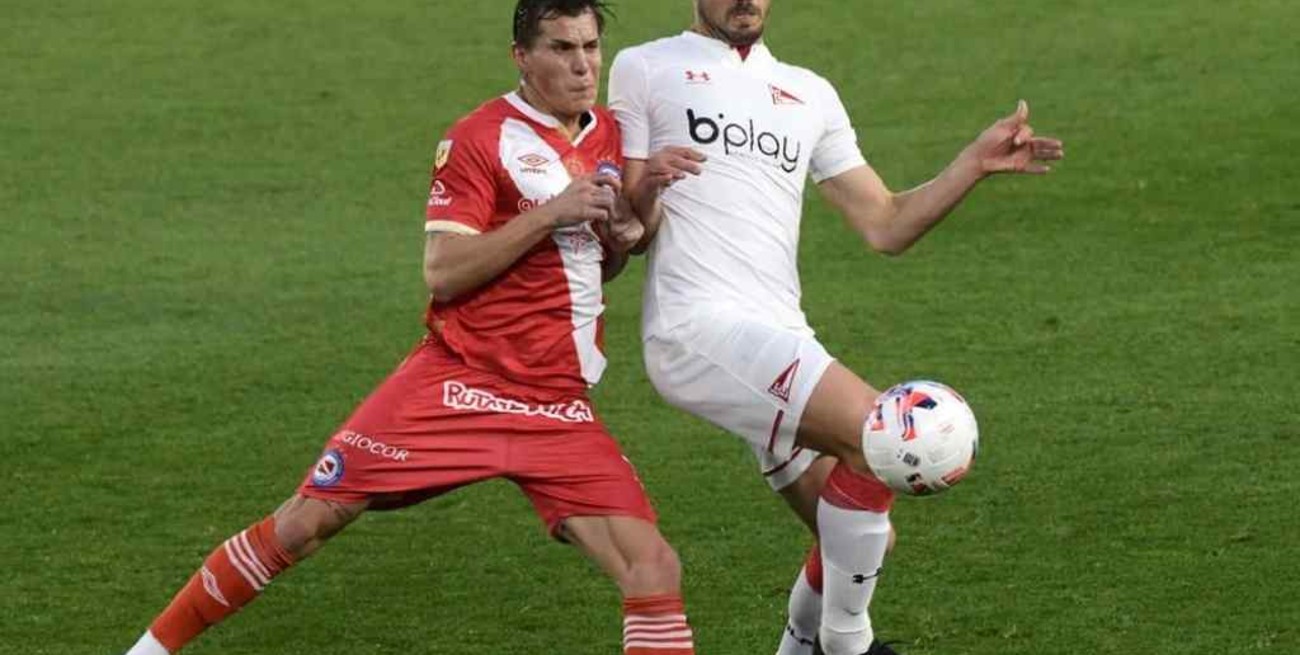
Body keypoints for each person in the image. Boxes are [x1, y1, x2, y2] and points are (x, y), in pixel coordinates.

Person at [121, 2, 699, 654]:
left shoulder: (607, 137)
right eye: (562, 48)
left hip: (555, 403)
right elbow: (444, 270)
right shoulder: (480, 138)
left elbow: (607, 257)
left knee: (653, 568)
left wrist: (636, 215)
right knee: (306, 522)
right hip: (458, 382)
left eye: (591, 47)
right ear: (521, 56)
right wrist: (551, 213)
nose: (583, 65)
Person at [607, 1, 1064, 654]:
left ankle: (804, 644)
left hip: (778, 335)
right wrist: (646, 190)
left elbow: (885, 223)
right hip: (694, 327)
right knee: (884, 433)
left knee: (857, 524)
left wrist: (973, 164)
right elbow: (632, 226)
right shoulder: (645, 68)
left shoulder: (808, 92)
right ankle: (850, 646)